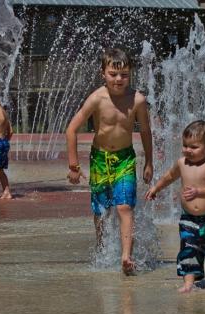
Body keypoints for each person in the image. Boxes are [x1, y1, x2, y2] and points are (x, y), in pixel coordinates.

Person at [65, 48, 153, 275]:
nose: (119, 79)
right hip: (100, 160)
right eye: (113, 74)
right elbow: (72, 129)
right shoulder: (97, 98)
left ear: (130, 73)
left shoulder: (138, 100)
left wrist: (149, 162)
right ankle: (102, 248)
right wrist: (74, 166)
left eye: (124, 74)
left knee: (125, 206)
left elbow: (145, 132)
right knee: (101, 210)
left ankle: (126, 256)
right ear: (102, 73)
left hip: (125, 159)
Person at [145, 120, 205, 293]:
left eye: (194, 147)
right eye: (185, 145)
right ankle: (189, 282)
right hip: (188, 218)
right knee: (188, 249)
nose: (188, 150)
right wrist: (156, 188)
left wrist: (198, 192)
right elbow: (169, 176)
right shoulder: (182, 163)